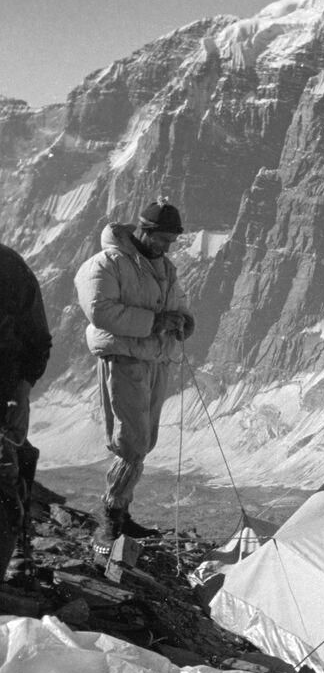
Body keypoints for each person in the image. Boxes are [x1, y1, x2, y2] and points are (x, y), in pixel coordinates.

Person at [75, 198, 195, 555]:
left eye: (170, 240)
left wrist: (181, 322)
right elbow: (100, 310)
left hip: (155, 358)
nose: (165, 246)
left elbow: (179, 302)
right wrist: (155, 322)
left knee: (145, 438)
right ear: (143, 230)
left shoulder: (165, 268)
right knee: (132, 438)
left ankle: (122, 511)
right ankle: (110, 516)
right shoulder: (107, 263)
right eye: (161, 238)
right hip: (124, 356)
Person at [0, 243, 52, 584]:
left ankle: (16, 548)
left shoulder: (9, 268)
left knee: (8, 472)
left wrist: (21, 385)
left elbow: (37, 338)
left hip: (5, 386)